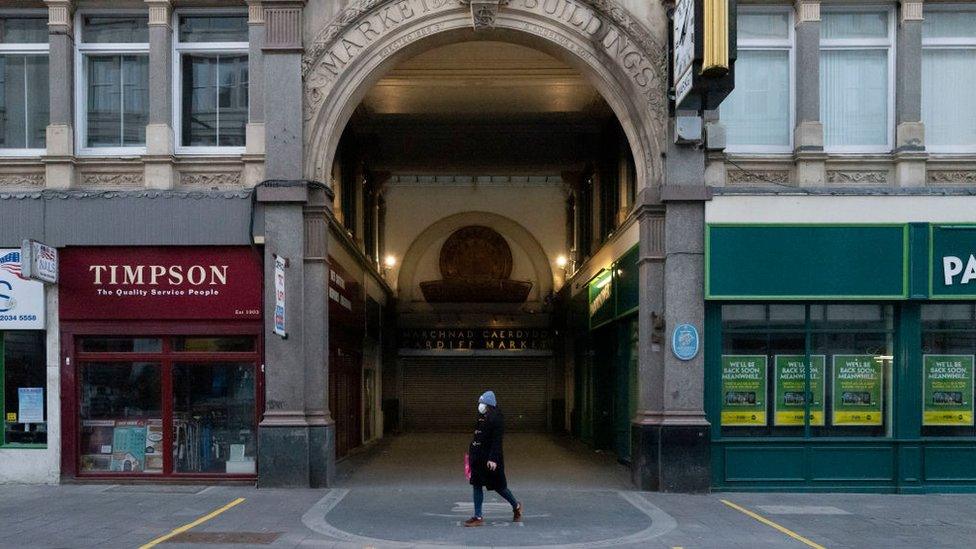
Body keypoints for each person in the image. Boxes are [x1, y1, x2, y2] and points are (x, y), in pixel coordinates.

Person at [464, 390, 522, 527]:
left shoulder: (497, 419)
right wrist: (471, 453)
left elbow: (497, 441)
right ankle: (478, 516)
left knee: (499, 487)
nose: (480, 405)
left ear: (488, 404)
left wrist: (493, 459)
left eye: (482, 403)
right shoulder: (482, 416)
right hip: (478, 457)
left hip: (490, 459)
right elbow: (477, 436)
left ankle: (516, 505)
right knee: (476, 484)